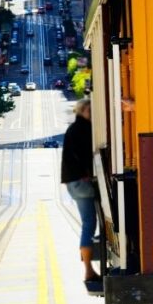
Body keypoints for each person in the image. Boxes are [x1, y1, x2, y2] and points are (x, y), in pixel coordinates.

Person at [61, 98, 100, 282]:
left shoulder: (73, 129)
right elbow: (87, 156)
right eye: (90, 111)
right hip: (82, 182)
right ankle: (89, 270)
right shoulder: (84, 129)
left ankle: (89, 268)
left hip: (73, 184)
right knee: (90, 223)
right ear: (82, 111)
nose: (92, 115)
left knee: (88, 223)